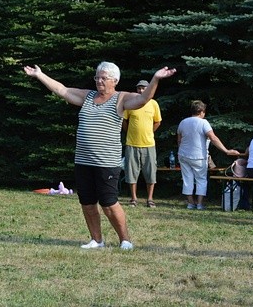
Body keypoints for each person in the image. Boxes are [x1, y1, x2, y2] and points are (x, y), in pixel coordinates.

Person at [23, 62, 176, 250]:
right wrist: (40, 75)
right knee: (87, 203)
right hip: (83, 161)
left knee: (109, 203)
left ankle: (125, 240)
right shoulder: (87, 96)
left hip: (106, 162)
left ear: (115, 80)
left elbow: (144, 99)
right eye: (97, 77)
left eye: (103, 78)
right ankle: (97, 240)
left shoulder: (122, 99)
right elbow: (62, 90)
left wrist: (156, 79)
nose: (99, 81)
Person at [176, 100, 239, 210]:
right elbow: (213, 138)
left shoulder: (183, 122)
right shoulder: (203, 122)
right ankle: (199, 204)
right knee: (201, 179)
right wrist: (226, 151)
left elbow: (179, 140)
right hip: (198, 156)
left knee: (187, 179)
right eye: (204, 112)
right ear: (201, 112)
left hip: (183, 155)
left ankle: (190, 203)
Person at [122, 80, 162, 208]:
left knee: (150, 173)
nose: (141, 91)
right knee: (131, 172)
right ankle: (133, 198)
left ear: (148, 89)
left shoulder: (153, 104)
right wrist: (130, 132)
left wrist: (150, 132)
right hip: (132, 144)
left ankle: (150, 199)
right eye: (139, 88)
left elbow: (157, 122)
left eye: (143, 88)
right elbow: (124, 120)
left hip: (149, 144)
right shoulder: (132, 103)